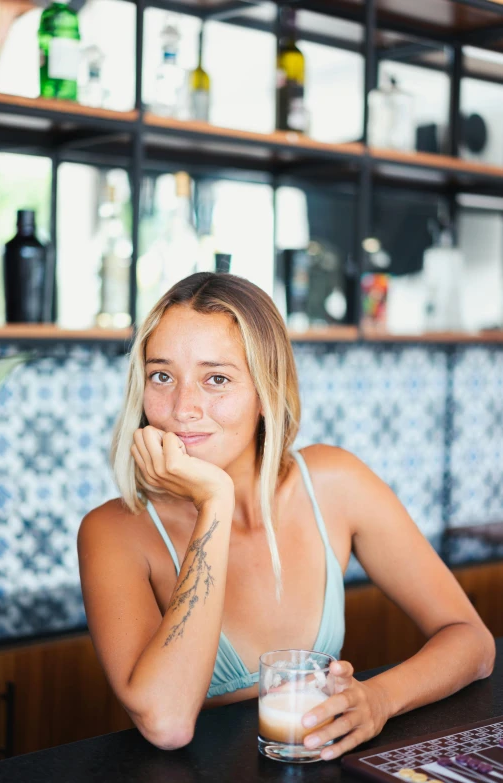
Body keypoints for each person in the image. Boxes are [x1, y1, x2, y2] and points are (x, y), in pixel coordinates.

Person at [77, 271, 495, 759]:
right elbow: (166, 723)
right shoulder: (113, 532)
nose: (182, 407)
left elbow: (473, 643)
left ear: (265, 392)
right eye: (162, 375)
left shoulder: (334, 482)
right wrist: (215, 503)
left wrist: (378, 699)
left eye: (217, 379)